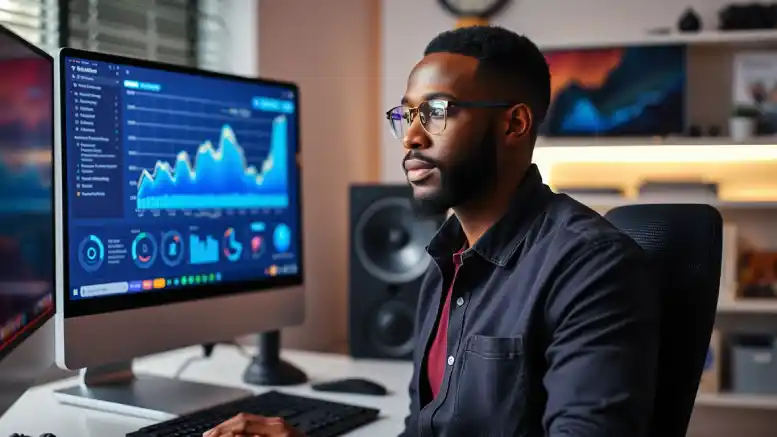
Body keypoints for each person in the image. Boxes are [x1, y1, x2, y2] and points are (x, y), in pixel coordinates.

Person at [203, 25, 660, 437]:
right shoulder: (444, 266)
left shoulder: (592, 267)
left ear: (514, 124)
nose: (411, 138)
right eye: (406, 116)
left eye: (437, 112)